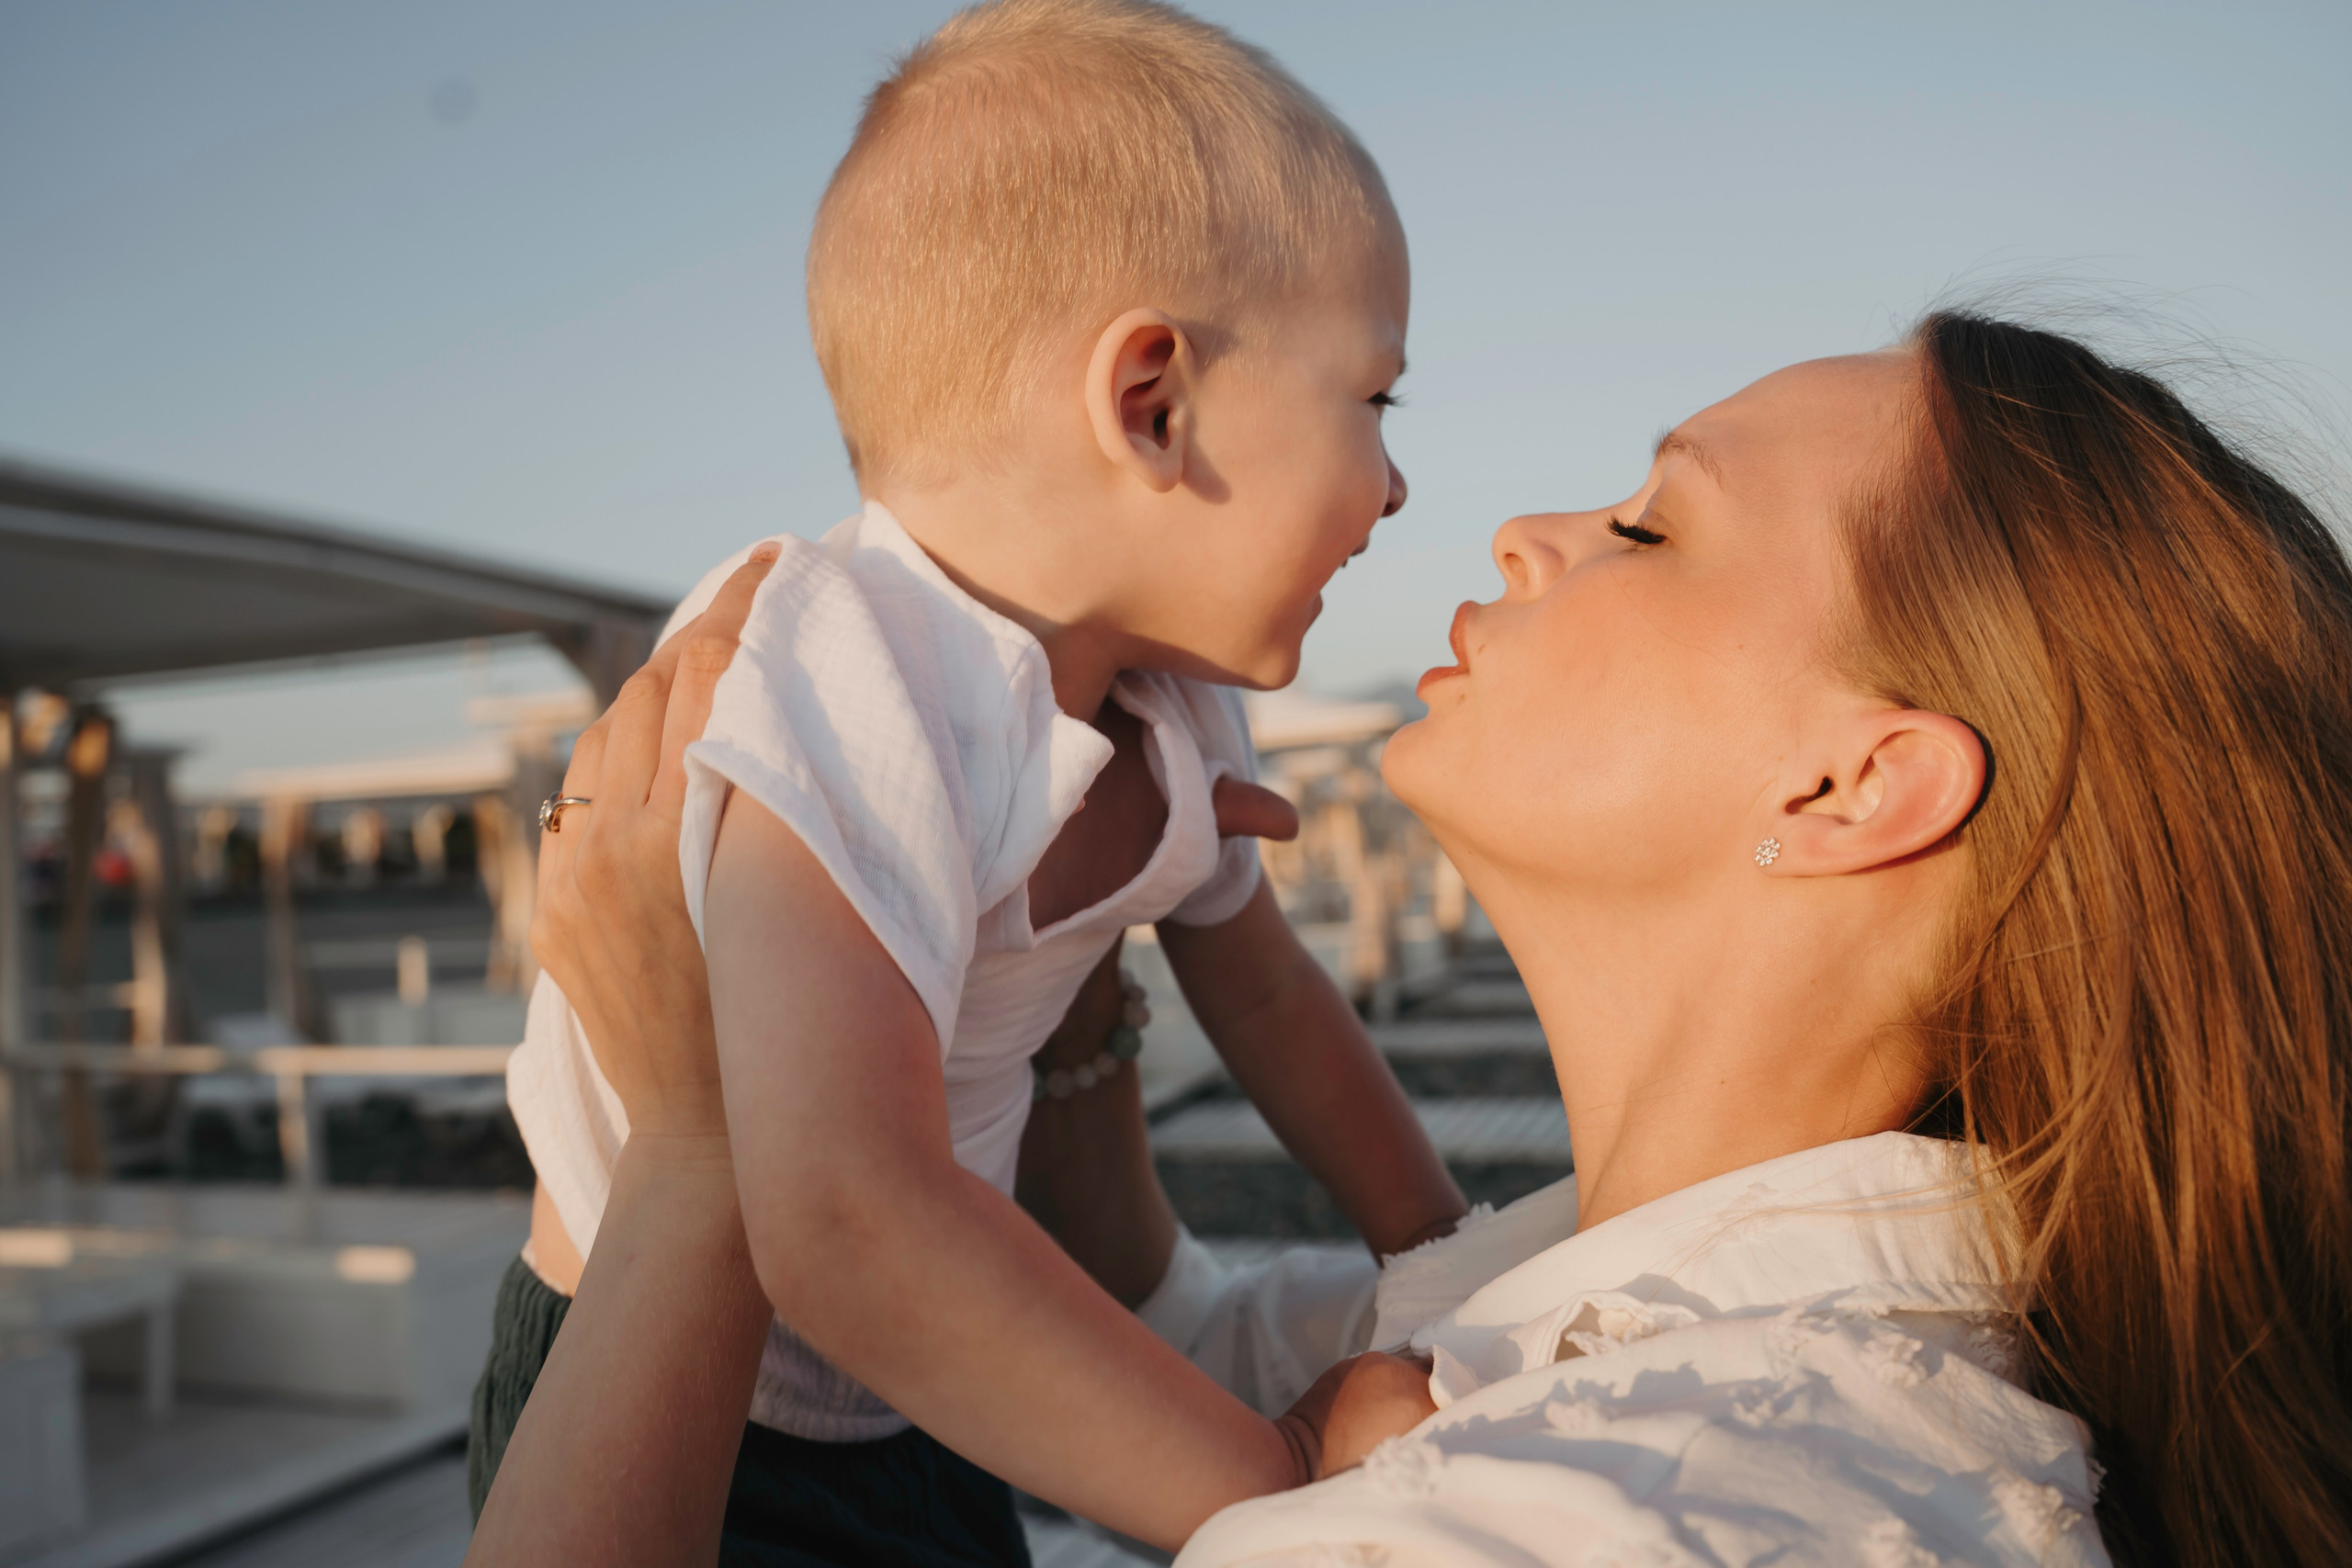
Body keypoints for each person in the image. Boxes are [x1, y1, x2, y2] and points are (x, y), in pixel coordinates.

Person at [477, 311, 2352, 1568]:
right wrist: (1037, 985)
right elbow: (1165, 1317)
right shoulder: (1567, 1295)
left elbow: (1198, 1396)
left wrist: (703, 1157)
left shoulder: (1700, 1504)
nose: (1528, 527)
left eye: (1645, 522)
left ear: (1852, 784)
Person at [477, 0, 1468, 1558]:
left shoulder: (1179, 702)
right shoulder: (837, 664)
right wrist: (1272, 1473)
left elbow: (1271, 997)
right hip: (682, 1401)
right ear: (1153, 404)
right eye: (1375, 399)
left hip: (931, 1372)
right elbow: (842, 1212)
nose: (1399, 482)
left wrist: (1438, 1247)